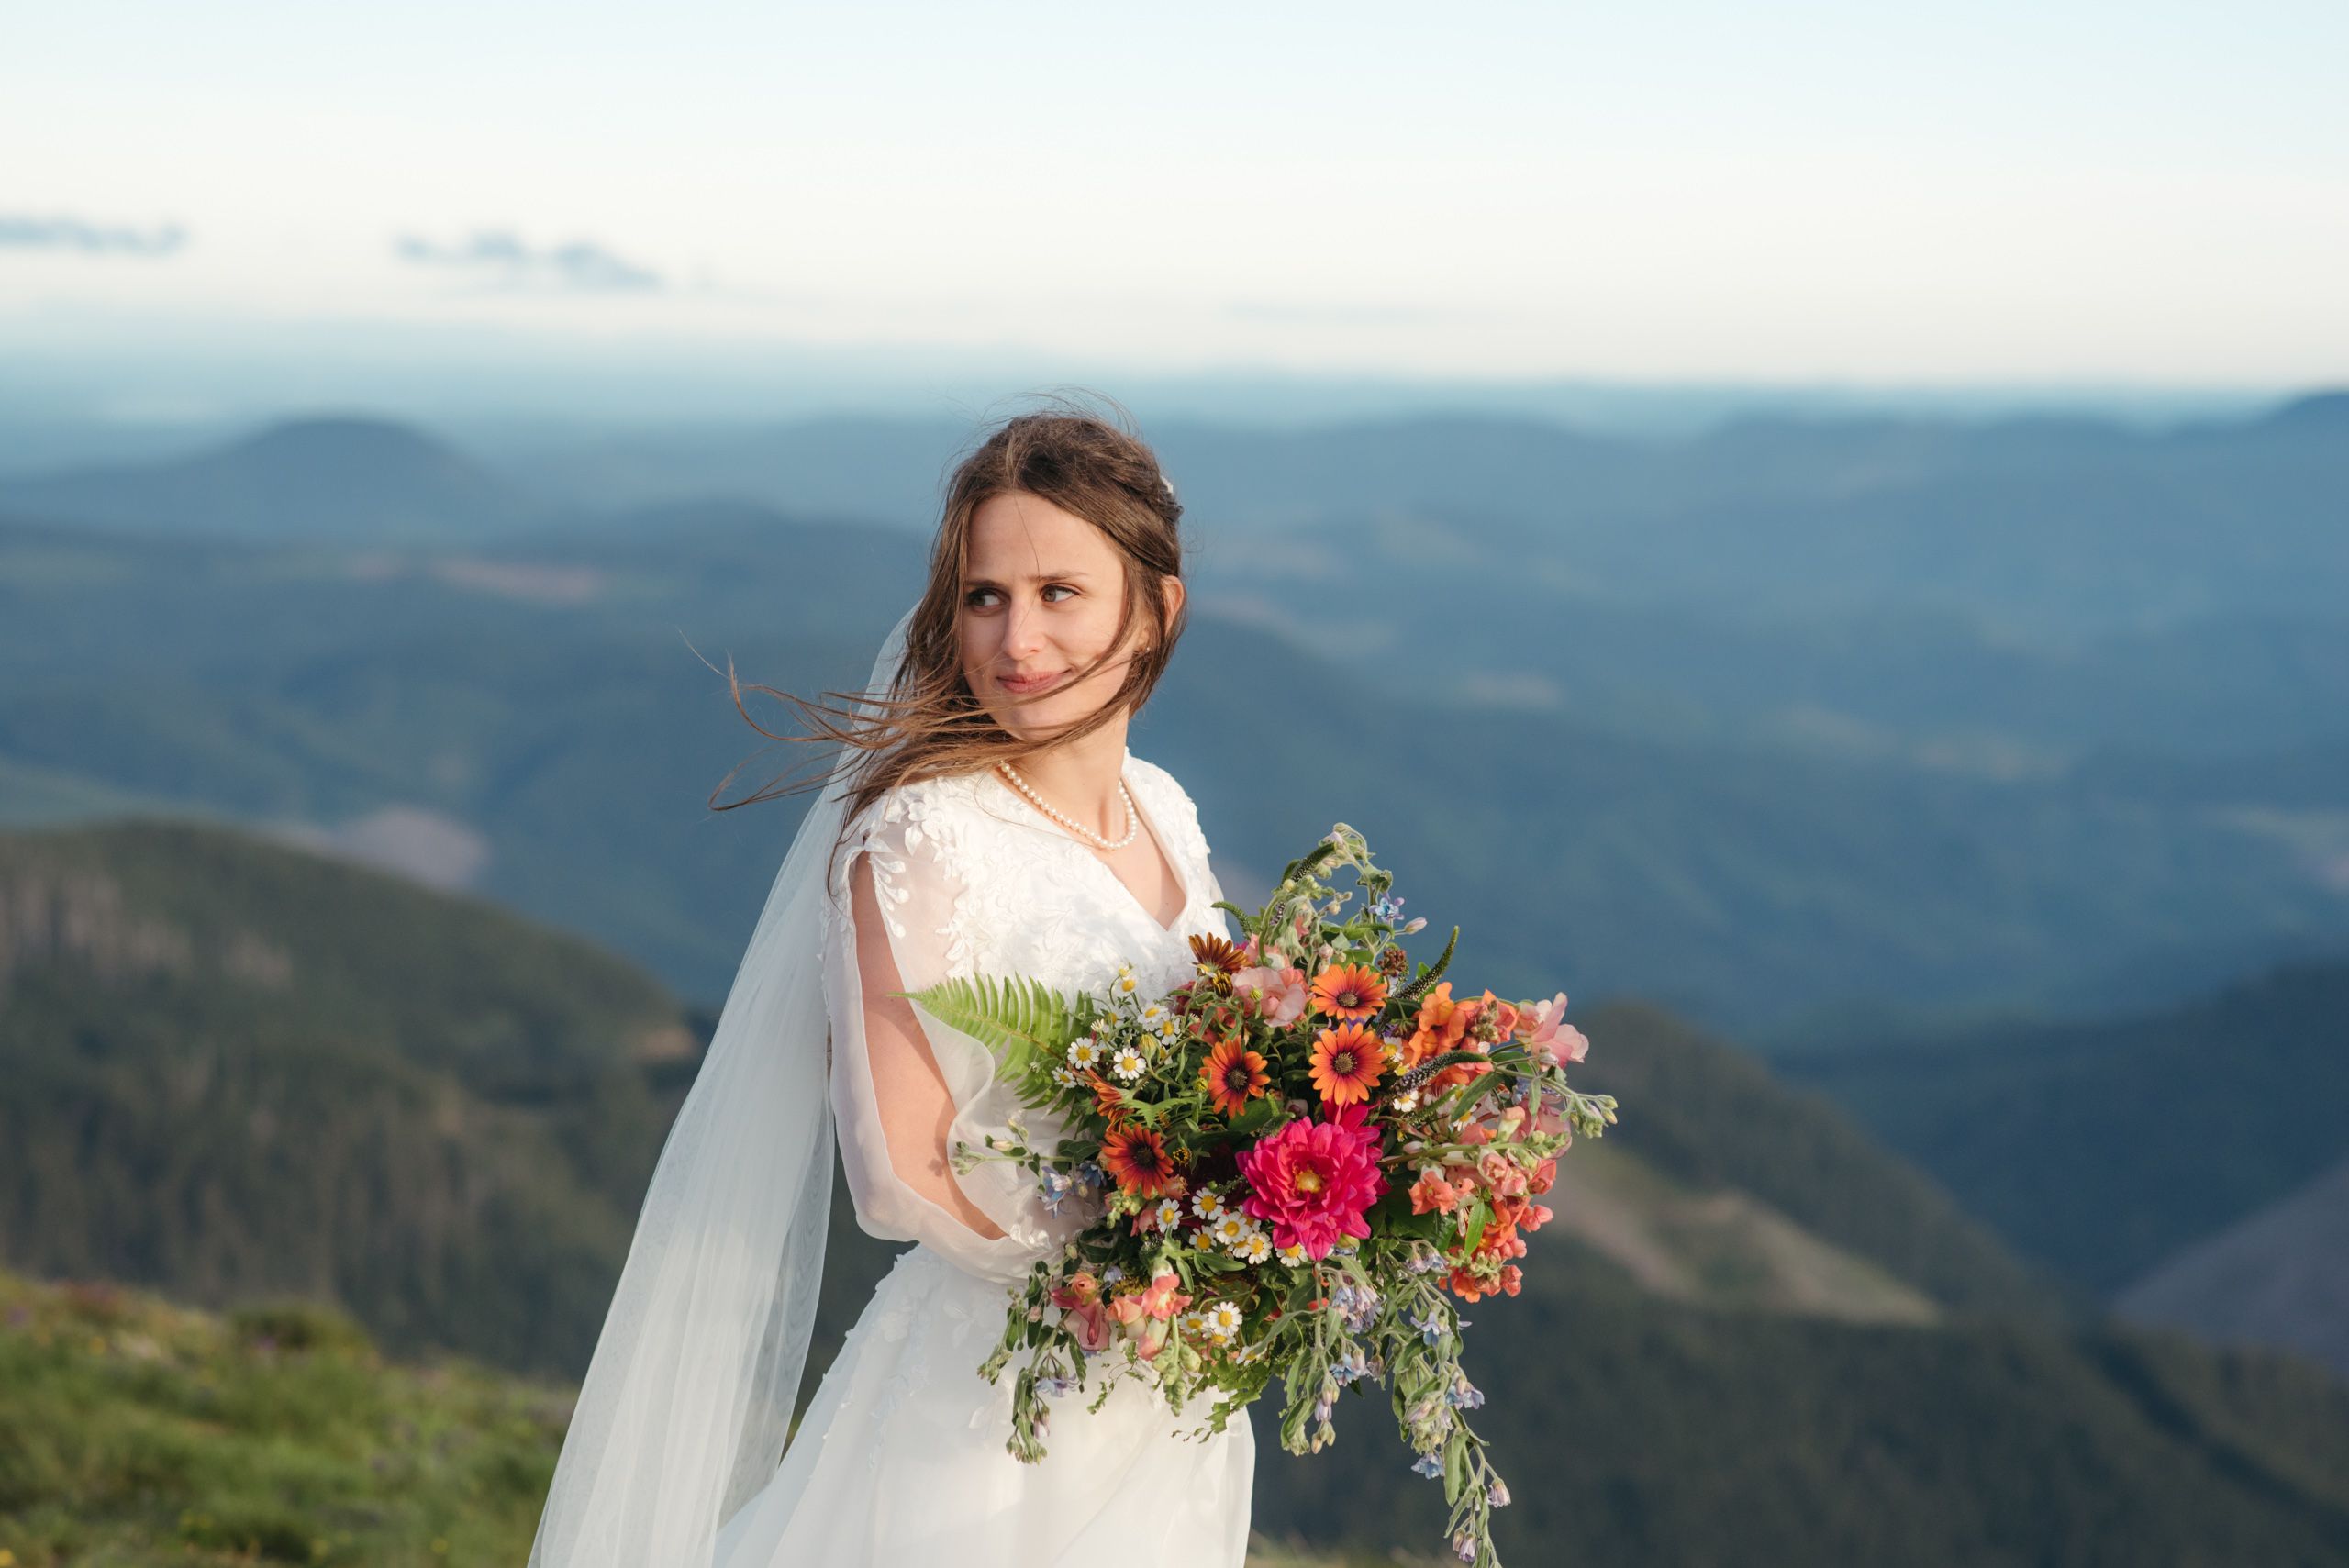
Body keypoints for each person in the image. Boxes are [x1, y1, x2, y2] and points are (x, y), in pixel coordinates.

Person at [526, 405, 1257, 1566]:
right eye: (984, 595)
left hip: (1169, 1402)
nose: (1016, 637)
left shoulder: (1164, 807)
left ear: (1155, 607)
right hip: (986, 1411)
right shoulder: (920, 838)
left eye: (1058, 592)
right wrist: (1134, 1265)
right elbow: (898, 1176)